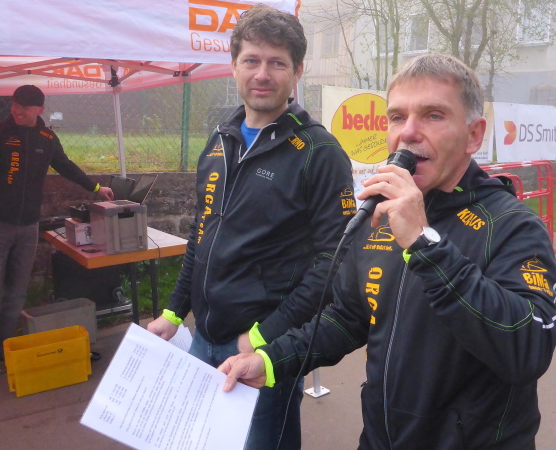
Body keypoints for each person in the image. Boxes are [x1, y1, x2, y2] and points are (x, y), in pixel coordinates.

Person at [220, 53, 556, 449]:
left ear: (474, 135)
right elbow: (348, 316)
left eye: (433, 115)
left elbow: (528, 349)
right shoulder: (380, 213)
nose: (408, 133)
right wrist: (271, 360)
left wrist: (424, 241)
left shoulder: (513, 225)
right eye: (397, 117)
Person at [146, 4, 355, 449]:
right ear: (234, 66)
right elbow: (202, 235)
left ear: (297, 71)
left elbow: (334, 261)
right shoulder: (219, 139)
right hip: (202, 338)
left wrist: (265, 334)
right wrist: (174, 312)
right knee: (205, 441)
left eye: (277, 63)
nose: (262, 74)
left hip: (260, 347)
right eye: (252, 60)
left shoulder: (319, 152)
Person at [0, 84, 114, 386]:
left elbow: (66, 166)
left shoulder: (46, 138)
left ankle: (3, 351)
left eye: (25, 107)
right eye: (15, 105)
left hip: (29, 227)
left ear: (40, 110)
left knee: (16, 294)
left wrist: (96, 188)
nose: (17, 111)